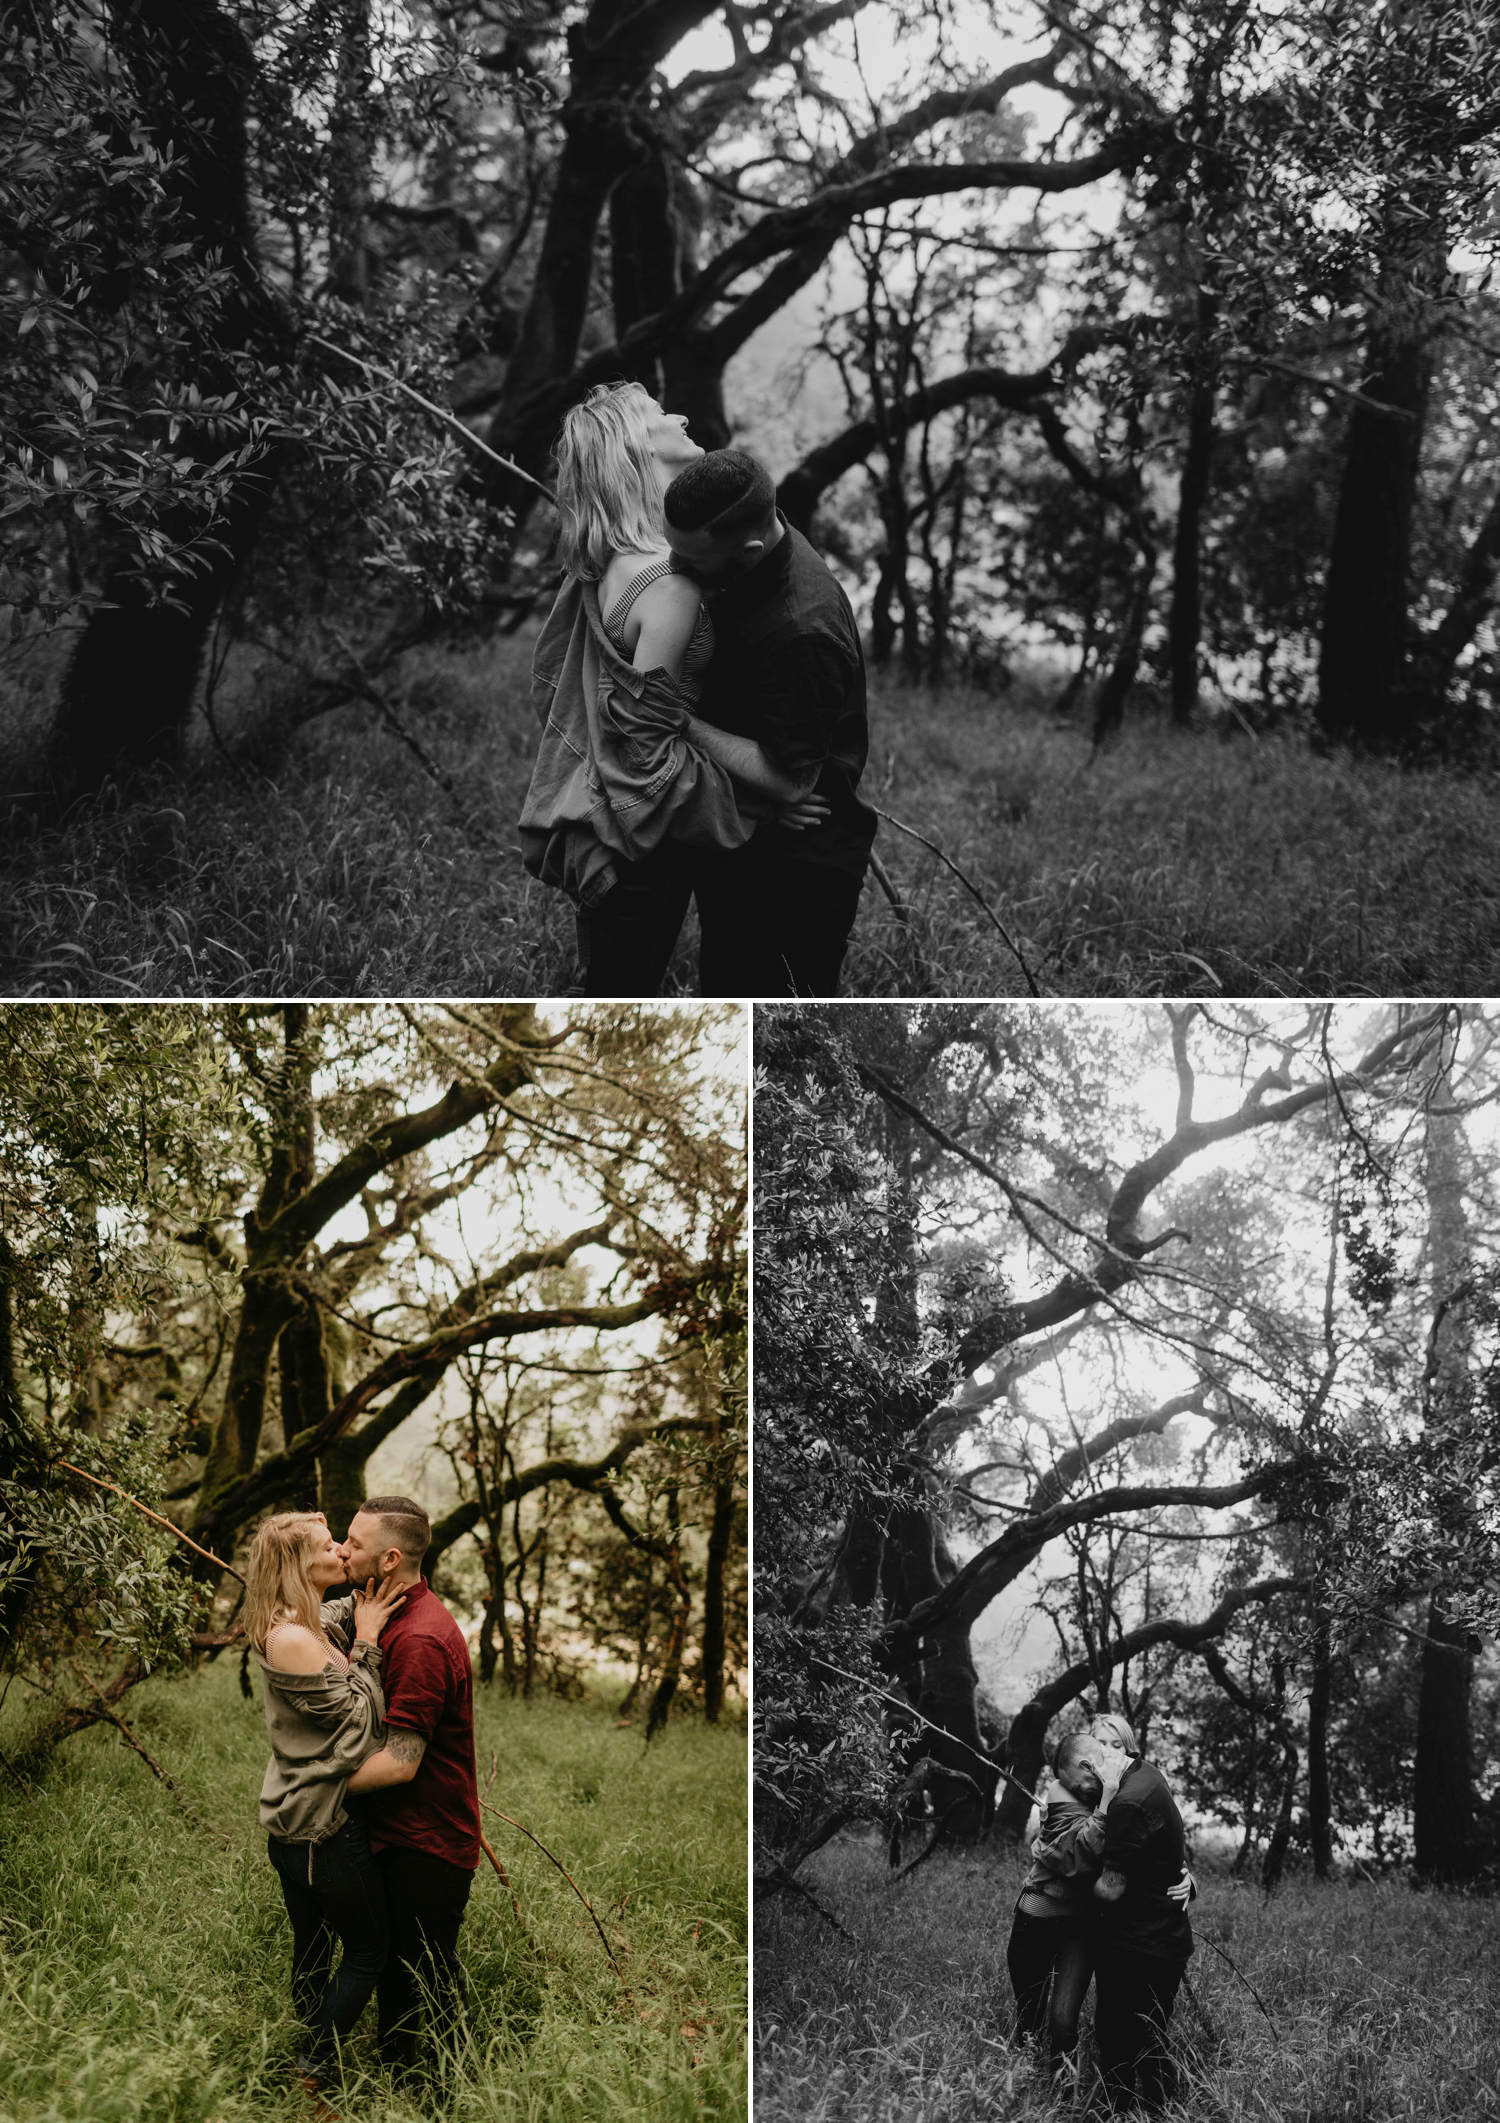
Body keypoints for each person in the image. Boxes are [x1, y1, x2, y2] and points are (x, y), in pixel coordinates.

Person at [519, 382, 827, 995]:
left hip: (616, 837)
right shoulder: (667, 586)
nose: (682, 413)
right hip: (640, 855)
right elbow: (647, 751)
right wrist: (760, 803)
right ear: (636, 449)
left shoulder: (612, 559)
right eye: (663, 415)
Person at [662, 447, 877, 996]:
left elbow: (792, 781)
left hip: (795, 872)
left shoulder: (804, 630)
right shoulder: (749, 541)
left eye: (693, 561)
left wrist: (680, 721)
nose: (676, 569)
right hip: (748, 837)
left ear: (751, 549)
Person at [245, 1510, 407, 2113]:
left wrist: (359, 1612)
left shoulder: (303, 1623)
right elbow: (358, 1723)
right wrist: (367, 1641)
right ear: (297, 1565)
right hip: (319, 1830)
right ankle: (313, 2063)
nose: (342, 1549)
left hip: (301, 1826)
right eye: (328, 1544)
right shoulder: (289, 1640)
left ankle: (309, 2038)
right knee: (368, 1951)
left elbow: (330, 1622)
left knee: (312, 1945)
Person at [338, 1496, 479, 2093]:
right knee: (398, 1968)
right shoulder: (384, 1611)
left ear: (390, 1558)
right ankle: (402, 2078)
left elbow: (400, 1763)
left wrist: (314, 1780)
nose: (344, 1552)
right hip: (398, 1830)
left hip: (428, 1840)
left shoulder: (420, 1638)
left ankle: (438, 2090)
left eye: (354, 1545)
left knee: (423, 1975)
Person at [1087, 1712, 1196, 2113]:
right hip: (1162, 1937)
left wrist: (1073, 1883)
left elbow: (1111, 1889)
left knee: (1121, 2035)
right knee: (1147, 2032)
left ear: (1129, 1747)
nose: (1109, 1753)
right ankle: (1151, 2107)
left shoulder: (1126, 1803)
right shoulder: (1146, 1774)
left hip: (1140, 1945)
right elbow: (1162, 1849)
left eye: (1117, 1745)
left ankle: (1126, 2109)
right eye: (1101, 1743)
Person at [1006, 1732, 1125, 2079]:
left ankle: (1062, 2098)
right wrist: (1106, 1803)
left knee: (1062, 2023)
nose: (1078, 1790)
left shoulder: (1113, 1788)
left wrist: (1184, 1875)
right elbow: (1082, 1857)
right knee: (1029, 2017)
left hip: (1081, 1927)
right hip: (1035, 1922)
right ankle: (1023, 2084)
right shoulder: (1062, 1791)